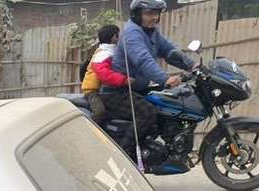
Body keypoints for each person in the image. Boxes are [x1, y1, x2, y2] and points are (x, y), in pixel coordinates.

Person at [102, 0, 196, 151]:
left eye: (157, 13)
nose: (154, 17)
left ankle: (157, 150)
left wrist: (192, 65)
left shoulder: (151, 32)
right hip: (117, 92)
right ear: (137, 15)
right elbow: (143, 60)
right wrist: (164, 79)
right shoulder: (131, 33)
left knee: (166, 102)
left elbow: (169, 50)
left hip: (136, 89)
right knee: (147, 113)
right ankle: (122, 153)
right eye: (149, 13)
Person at [81, 25, 128, 124]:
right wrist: (123, 80)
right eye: (119, 35)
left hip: (102, 89)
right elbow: (104, 73)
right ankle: (89, 129)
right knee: (99, 111)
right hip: (92, 90)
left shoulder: (111, 51)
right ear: (113, 37)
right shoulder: (104, 53)